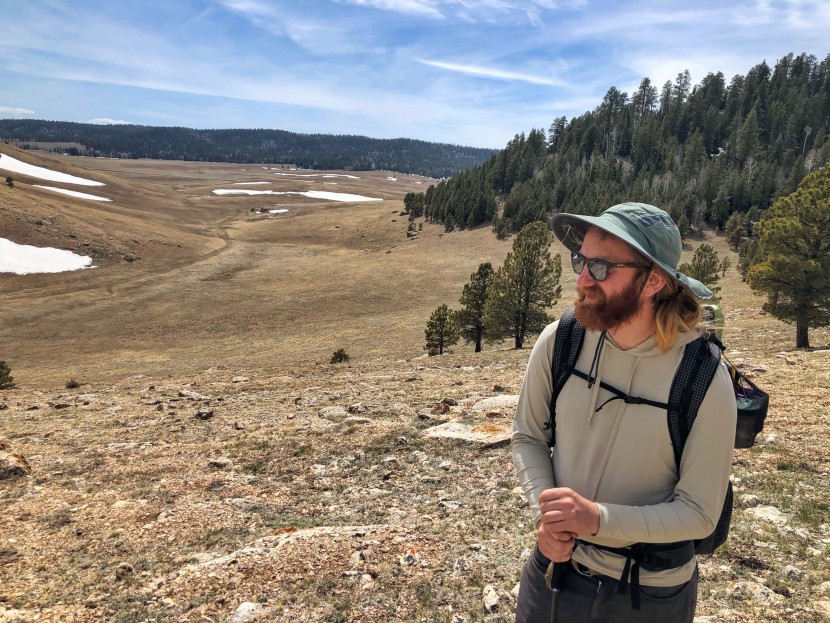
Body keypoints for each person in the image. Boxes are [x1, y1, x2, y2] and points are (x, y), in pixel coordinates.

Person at [512, 202, 736, 623]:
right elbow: (528, 438)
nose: (581, 279)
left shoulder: (702, 376)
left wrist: (597, 520)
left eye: (601, 268)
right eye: (581, 261)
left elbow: (701, 512)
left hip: (650, 596)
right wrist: (549, 513)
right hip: (554, 572)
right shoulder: (560, 341)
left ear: (652, 280)